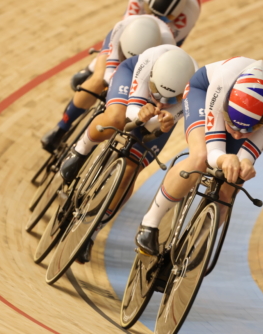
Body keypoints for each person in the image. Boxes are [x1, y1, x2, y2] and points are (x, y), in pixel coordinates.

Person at [135, 56, 263, 256]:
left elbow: (247, 156)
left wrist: (246, 164)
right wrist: (224, 158)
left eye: (249, 130)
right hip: (203, 91)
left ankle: (194, 249)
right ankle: (149, 224)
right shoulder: (222, 85)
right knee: (199, 157)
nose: (236, 135)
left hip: (242, 112)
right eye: (231, 125)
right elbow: (213, 152)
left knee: (233, 182)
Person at [61, 45, 197, 263]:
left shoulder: (193, 92)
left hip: (162, 117)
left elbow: (155, 126)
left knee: (130, 169)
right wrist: (140, 111)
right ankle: (79, 152)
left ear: (183, 94)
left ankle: (92, 234)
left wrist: (164, 119)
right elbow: (131, 111)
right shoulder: (148, 62)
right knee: (115, 119)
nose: (161, 101)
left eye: (170, 99)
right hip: (131, 79)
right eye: (157, 94)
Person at [41, 15, 175, 153]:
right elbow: (109, 71)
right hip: (118, 50)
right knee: (98, 80)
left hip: (145, 68)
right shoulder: (121, 28)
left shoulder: (165, 50)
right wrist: (115, 89)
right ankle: (61, 128)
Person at [69, 0, 201, 94]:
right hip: (142, 17)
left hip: (170, 30)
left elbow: (164, 47)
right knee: (129, 33)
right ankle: (92, 66)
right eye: (150, 11)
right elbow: (125, 28)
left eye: (164, 17)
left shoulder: (190, 12)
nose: (154, 17)